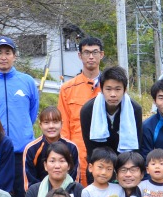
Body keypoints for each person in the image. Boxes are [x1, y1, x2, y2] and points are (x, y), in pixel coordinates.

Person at [79, 65, 144, 165]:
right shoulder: (88, 110)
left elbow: (136, 146)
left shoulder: (135, 110)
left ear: (125, 90)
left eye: (118, 89)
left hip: (125, 163)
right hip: (98, 164)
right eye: (108, 89)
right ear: (101, 89)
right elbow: (90, 148)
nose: (113, 94)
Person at [58, 36, 104, 171]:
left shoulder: (111, 88)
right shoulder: (67, 89)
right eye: (86, 52)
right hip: (78, 152)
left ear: (101, 55)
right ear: (80, 55)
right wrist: (67, 153)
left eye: (95, 52)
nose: (91, 56)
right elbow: (63, 126)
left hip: (106, 154)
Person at [24, 105, 80, 188]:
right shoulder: (31, 149)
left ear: (62, 123)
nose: (51, 126)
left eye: (55, 122)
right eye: (46, 122)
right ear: (40, 125)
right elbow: (30, 181)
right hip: (39, 195)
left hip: (66, 195)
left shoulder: (72, 147)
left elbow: (74, 178)